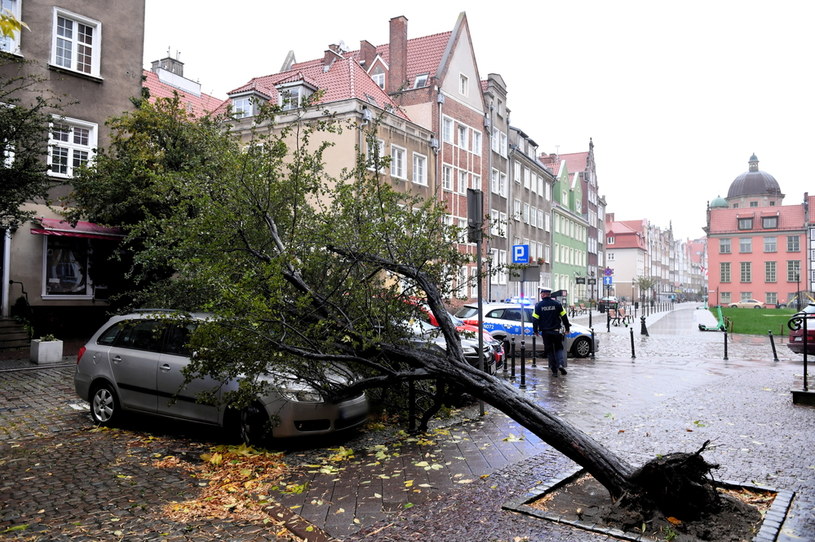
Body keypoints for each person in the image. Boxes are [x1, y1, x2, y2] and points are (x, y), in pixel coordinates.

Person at [533, 287, 571, 377]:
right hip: (556, 331)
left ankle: (554, 371)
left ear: (543, 295)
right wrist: (567, 328)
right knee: (558, 348)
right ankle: (561, 364)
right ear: (549, 295)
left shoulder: (538, 305)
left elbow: (535, 319)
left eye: (541, 294)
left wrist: (535, 330)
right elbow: (564, 317)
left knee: (550, 351)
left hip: (546, 332)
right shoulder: (557, 304)